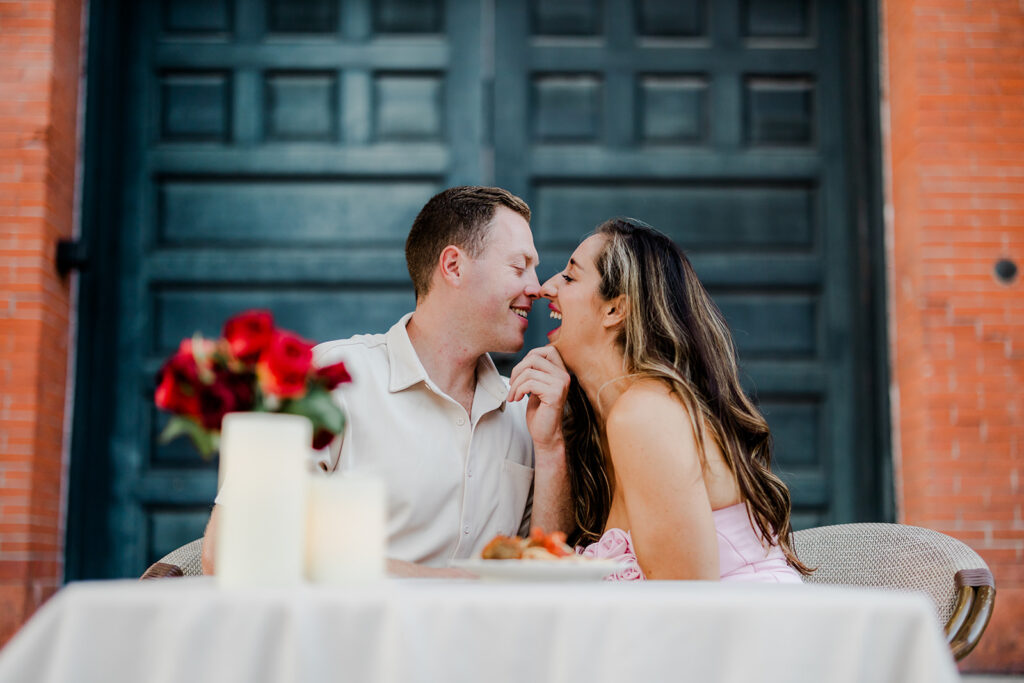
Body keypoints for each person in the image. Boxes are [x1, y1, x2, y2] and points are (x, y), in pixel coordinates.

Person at [201, 187, 573, 576]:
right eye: (519, 267)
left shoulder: (525, 410)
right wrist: (447, 584)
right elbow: (233, 549)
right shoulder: (332, 379)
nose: (538, 287)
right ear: (453, 266)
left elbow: (545, 573)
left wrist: (550, 449)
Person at [507, 218, 809, 581]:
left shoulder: (644, 415)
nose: (545, 287)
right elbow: (547, 575)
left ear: (615, 310)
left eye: (570, 277)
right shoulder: (606, 426)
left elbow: (683, 601)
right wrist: (550, 444)